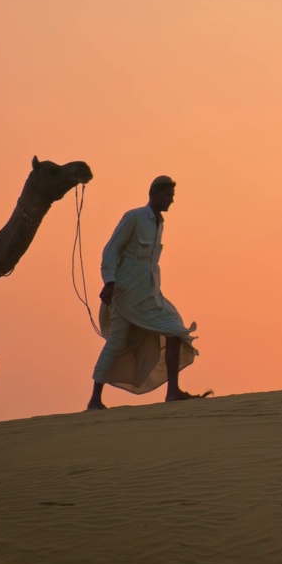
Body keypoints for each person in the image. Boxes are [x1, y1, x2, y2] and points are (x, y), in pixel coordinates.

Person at [87, 175, 204, 410]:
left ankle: (171, 391)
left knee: (162, 332)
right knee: (166, 330)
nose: (170, 201)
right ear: (154, 194)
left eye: (172, 196)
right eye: (167, 195)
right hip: (126, 293)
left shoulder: (159, 223)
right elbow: (111, 250)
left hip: (148, 293)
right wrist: (108, 283)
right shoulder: (134, 218)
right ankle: (96, 399)